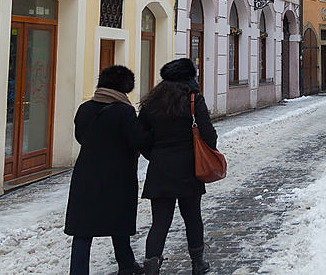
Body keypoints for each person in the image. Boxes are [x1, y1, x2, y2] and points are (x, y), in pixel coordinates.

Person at [64, 65, 148, 275]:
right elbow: (138, 140)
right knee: (118, 222)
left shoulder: (85, 109)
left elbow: (81, 137)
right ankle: (127, 265)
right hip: (117, 176)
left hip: (86, 174)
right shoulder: (124, 111)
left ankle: (78, 271)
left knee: (83, 229)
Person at [139, 58, 218, 275]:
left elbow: (141, 137)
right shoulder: (193, 100)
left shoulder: (151, 102)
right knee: (192, 217)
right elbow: (209, 136)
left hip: (160, 169)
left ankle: (152, 266)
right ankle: (197, 263)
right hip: (189, 168)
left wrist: (155, 155)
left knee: (160, 222)